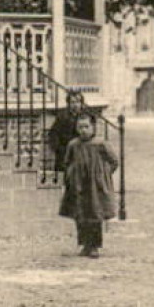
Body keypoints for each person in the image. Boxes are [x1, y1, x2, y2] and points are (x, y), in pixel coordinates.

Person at [59, 113, 119, 257]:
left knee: (95, 213)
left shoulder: (100, 144)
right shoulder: (73, 144)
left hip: (95, 186)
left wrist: (103, 175)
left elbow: (114, 161)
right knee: (80, 214)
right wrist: (71, 176)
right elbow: (67, 162)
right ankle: (85, 244)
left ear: (93, 127)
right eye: (80, 127)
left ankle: (94, 246)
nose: (83, 130)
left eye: (86, 127)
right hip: (79, 185)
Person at [47, 92, 89, 180]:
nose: (75, 105)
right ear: (69, 104)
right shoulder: (62, 117)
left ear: (81, 104)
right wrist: (59, 149)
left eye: (78, 102)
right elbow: (53, 134)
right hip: (65, 154)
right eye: (72, 102)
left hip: (81, 153)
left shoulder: (85, 117)